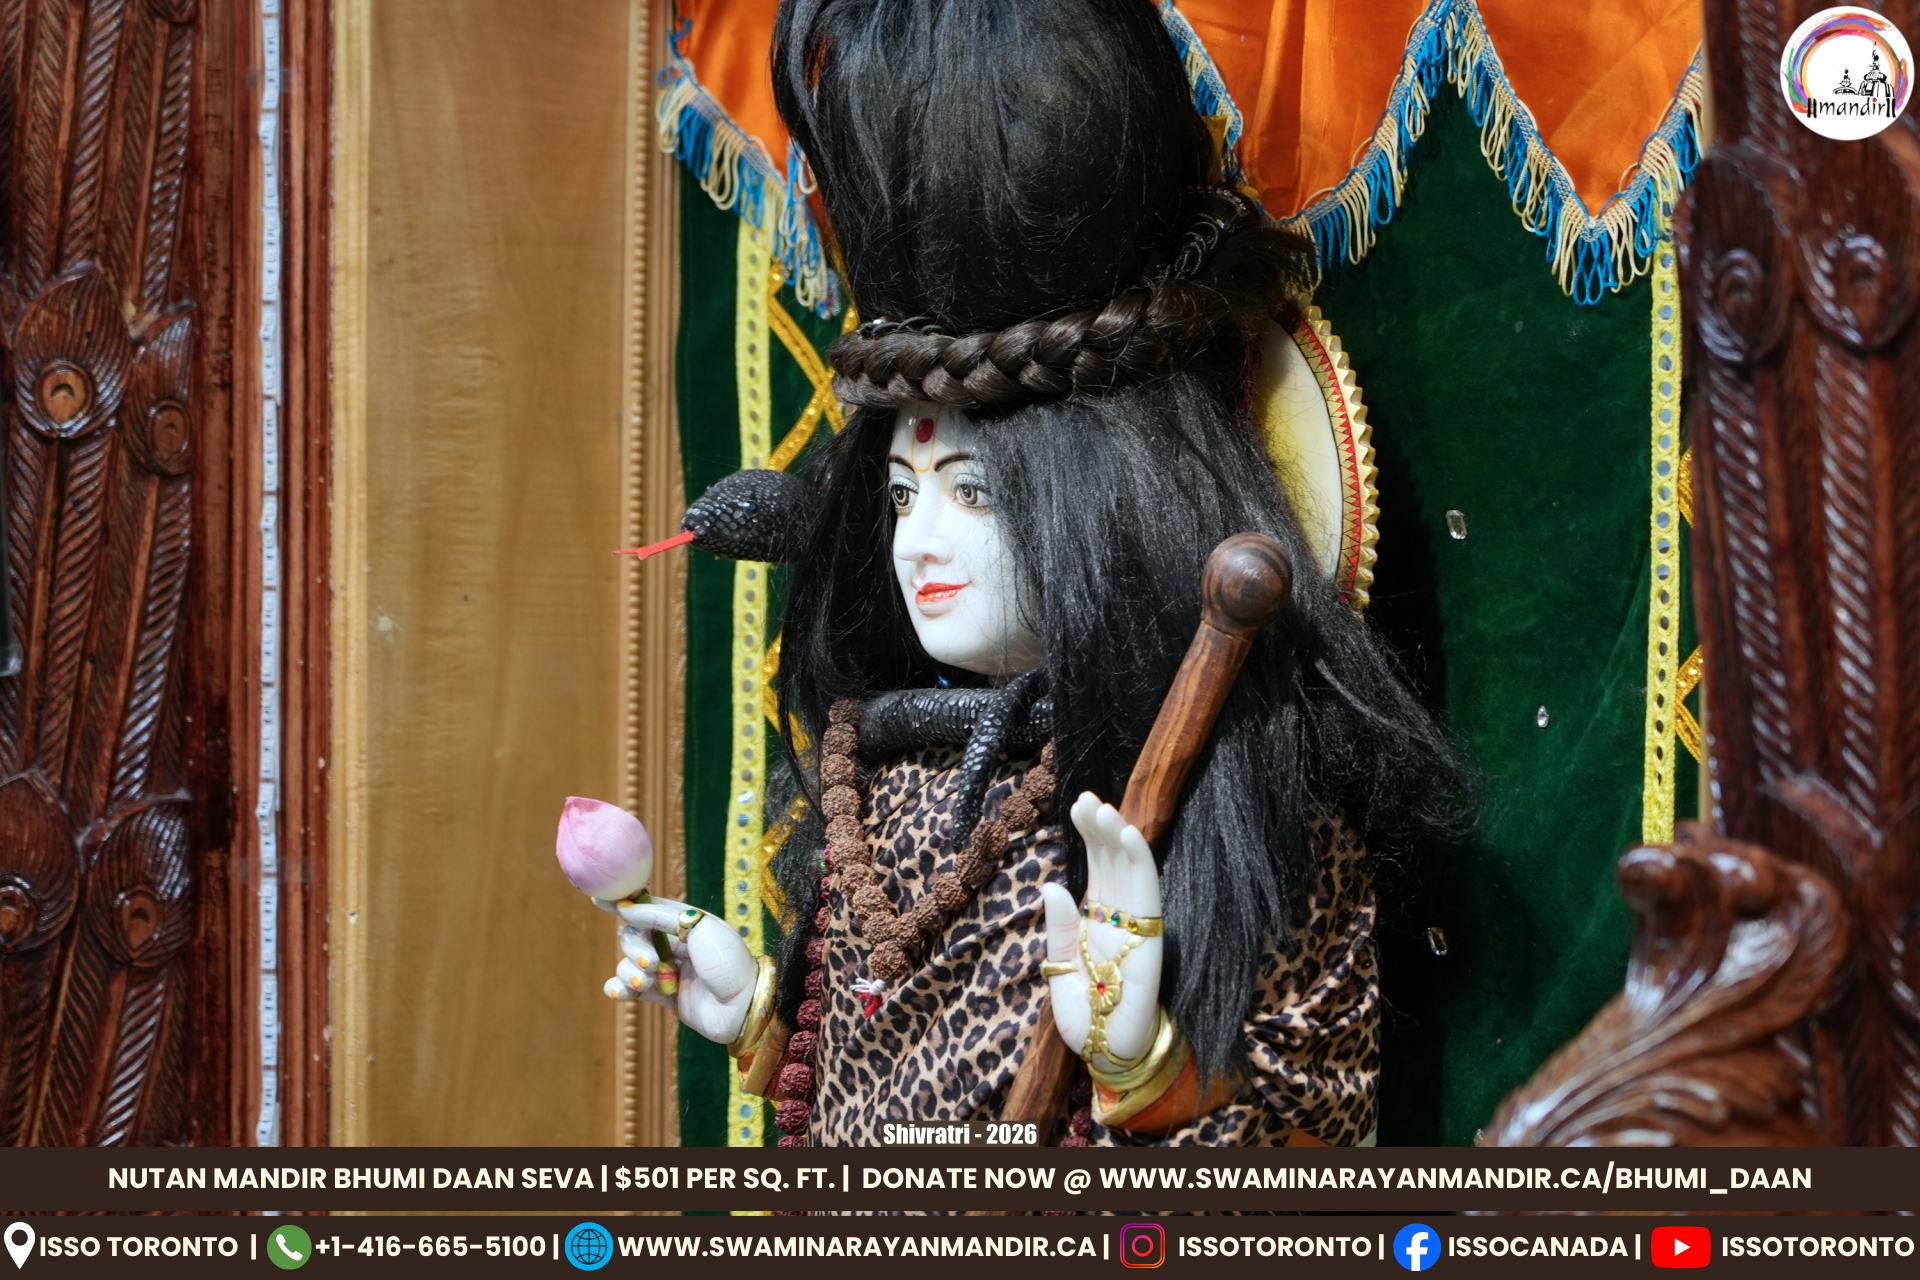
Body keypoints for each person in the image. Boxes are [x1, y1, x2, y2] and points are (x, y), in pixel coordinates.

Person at [606, 0, 1462, 1149]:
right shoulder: (881, 780)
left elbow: (1314, 1142)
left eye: (974, 492)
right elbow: (866, 1096)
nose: (919, 542)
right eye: (902, 497)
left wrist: (1146, 1069)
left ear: (1104, 504)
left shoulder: (1240, 804)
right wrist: (765, 1023)